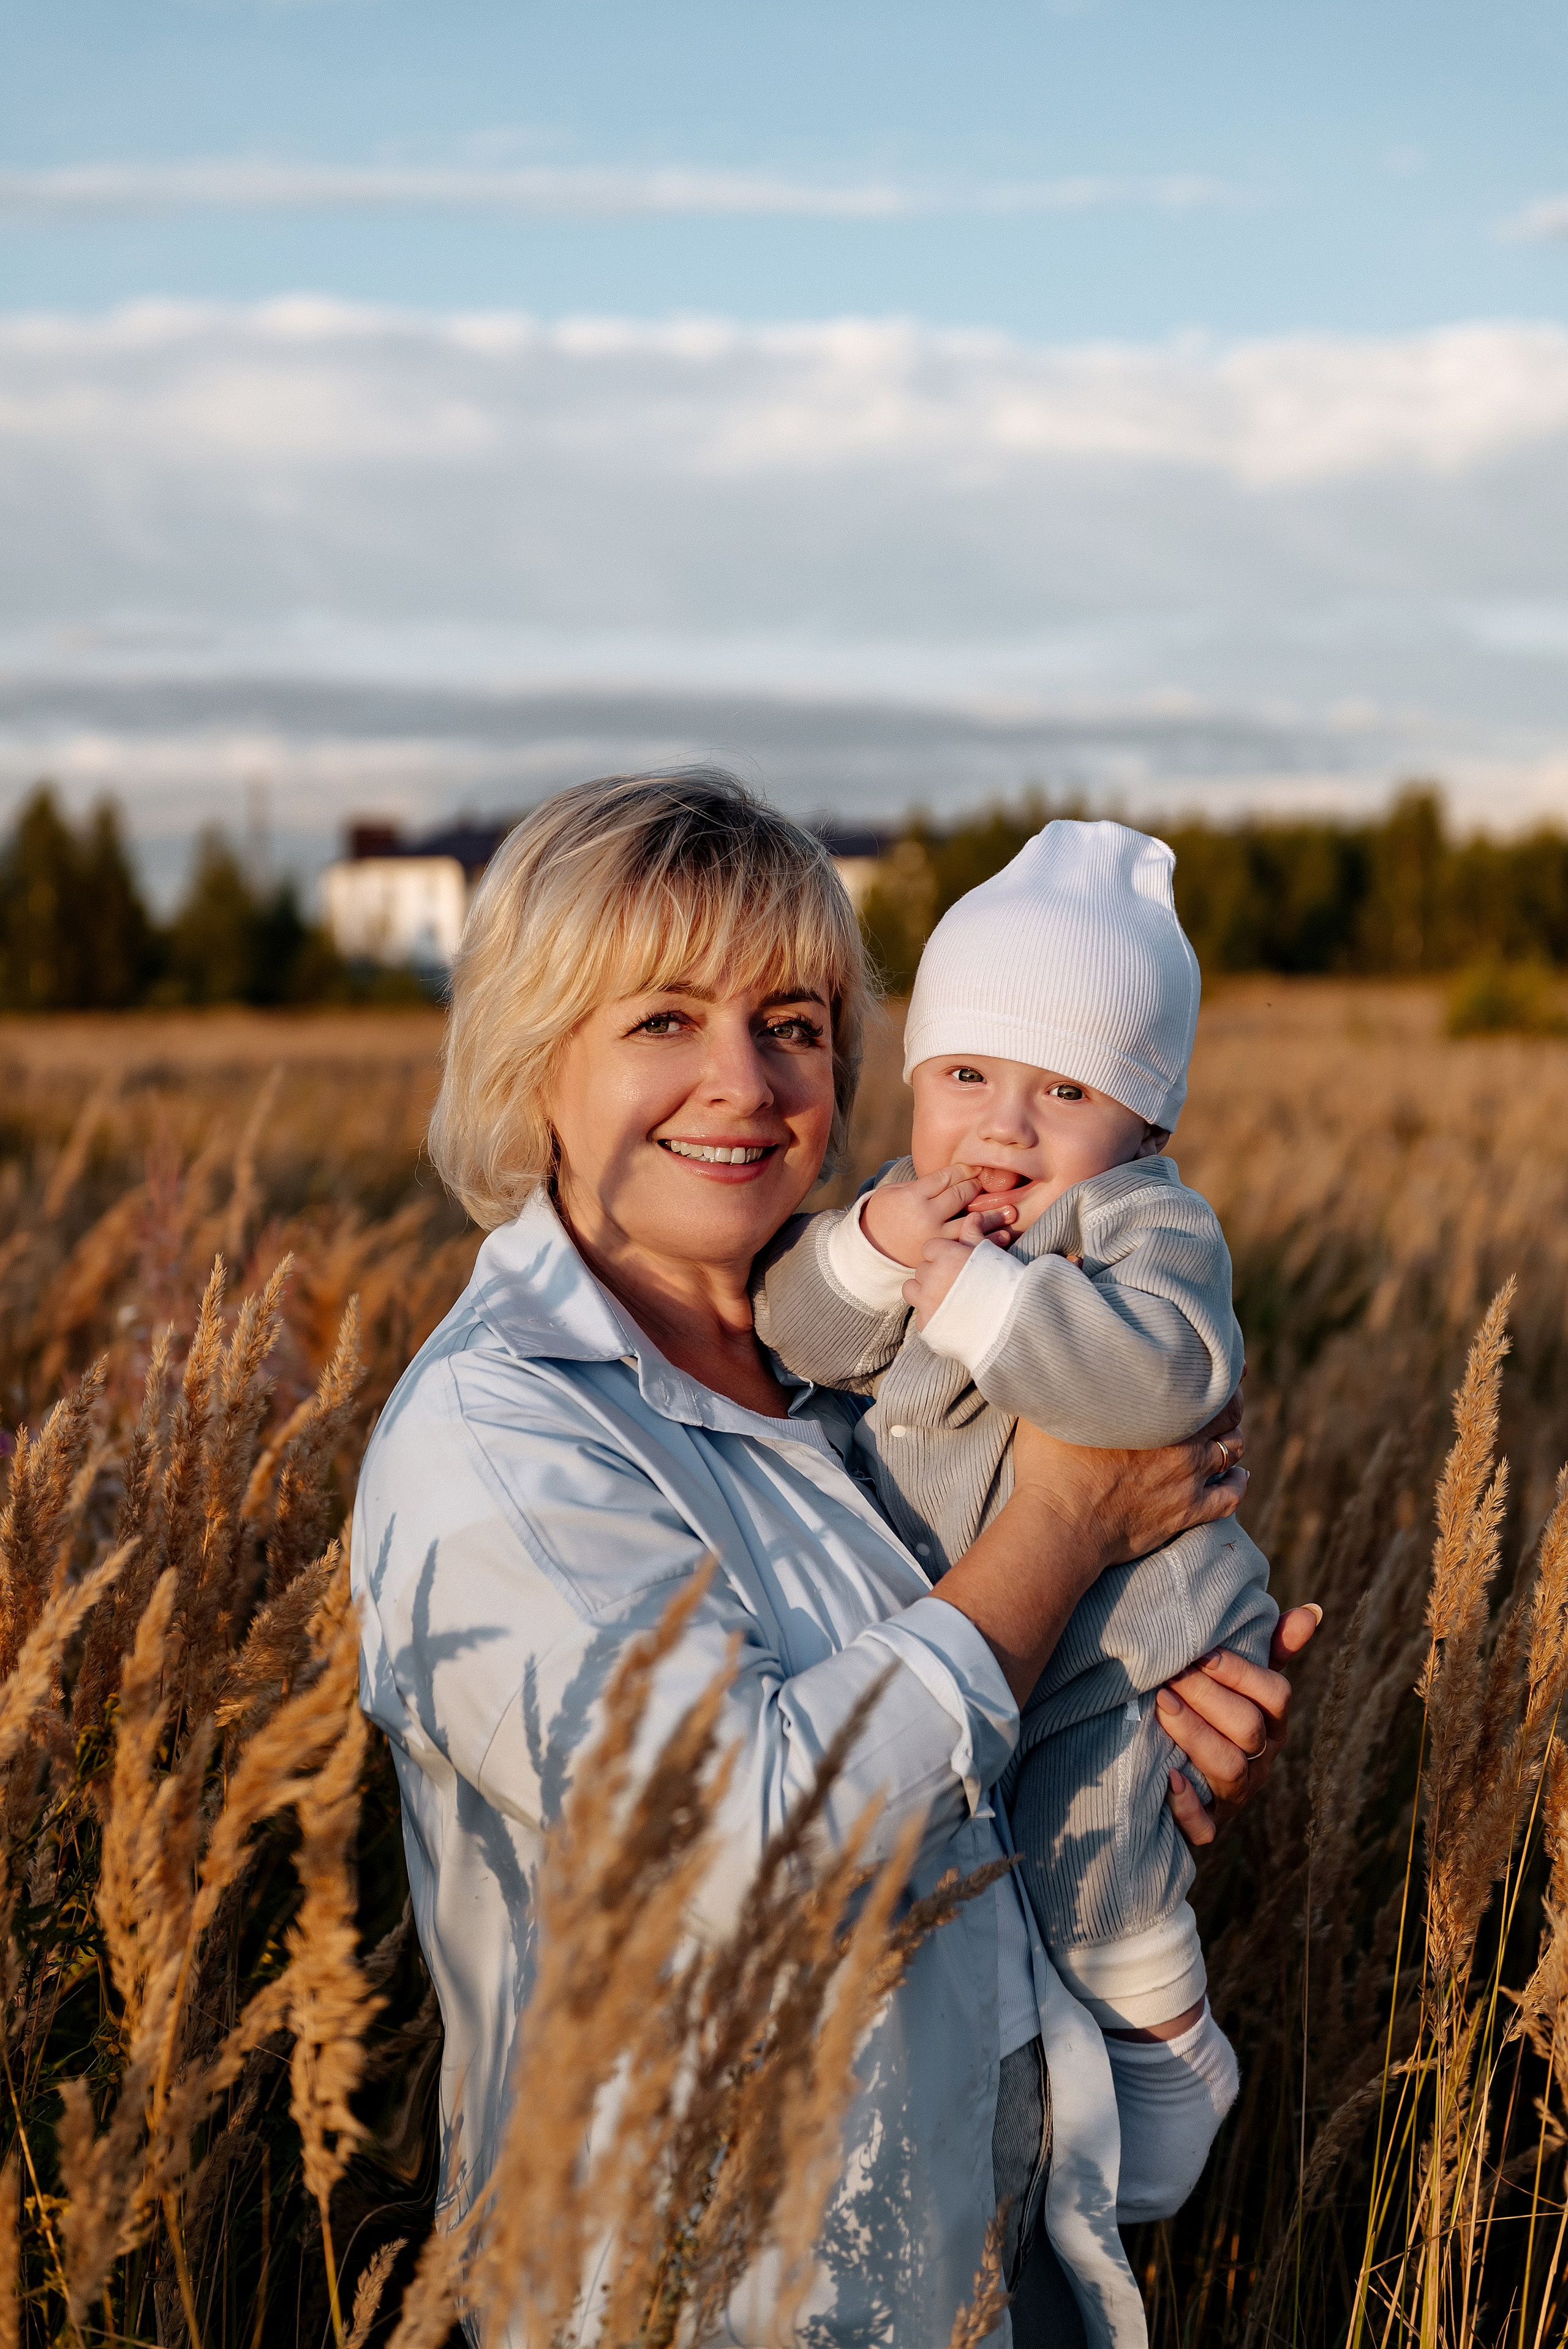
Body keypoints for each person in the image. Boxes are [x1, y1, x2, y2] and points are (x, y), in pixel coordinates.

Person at [352, 769, 1316, 2349]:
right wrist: (1066, 1527)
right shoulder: (498, 1438)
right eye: (662, 1019)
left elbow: (957, 1738)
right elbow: (748, 1841)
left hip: (976, 2262)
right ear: (533, 1061)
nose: (740, 1081)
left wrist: (1142, 1714)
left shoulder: (848, 1369)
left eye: (789, 1024)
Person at [753, 818, 1270, 2227]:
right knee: (986, 1892)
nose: (1003, 1126)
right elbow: (790, 1331)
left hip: (1118, 1636)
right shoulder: (905, 1217)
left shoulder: (1142, 1228)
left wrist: (984, 1304)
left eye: (1065, 1090)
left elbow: (1171, 1377)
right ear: (914, 1079)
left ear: (1143, 1128)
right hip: (989, 1618)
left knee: (1081, 1850)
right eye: (966, 1074)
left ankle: (1161, 2032)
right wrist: (869, 1256)